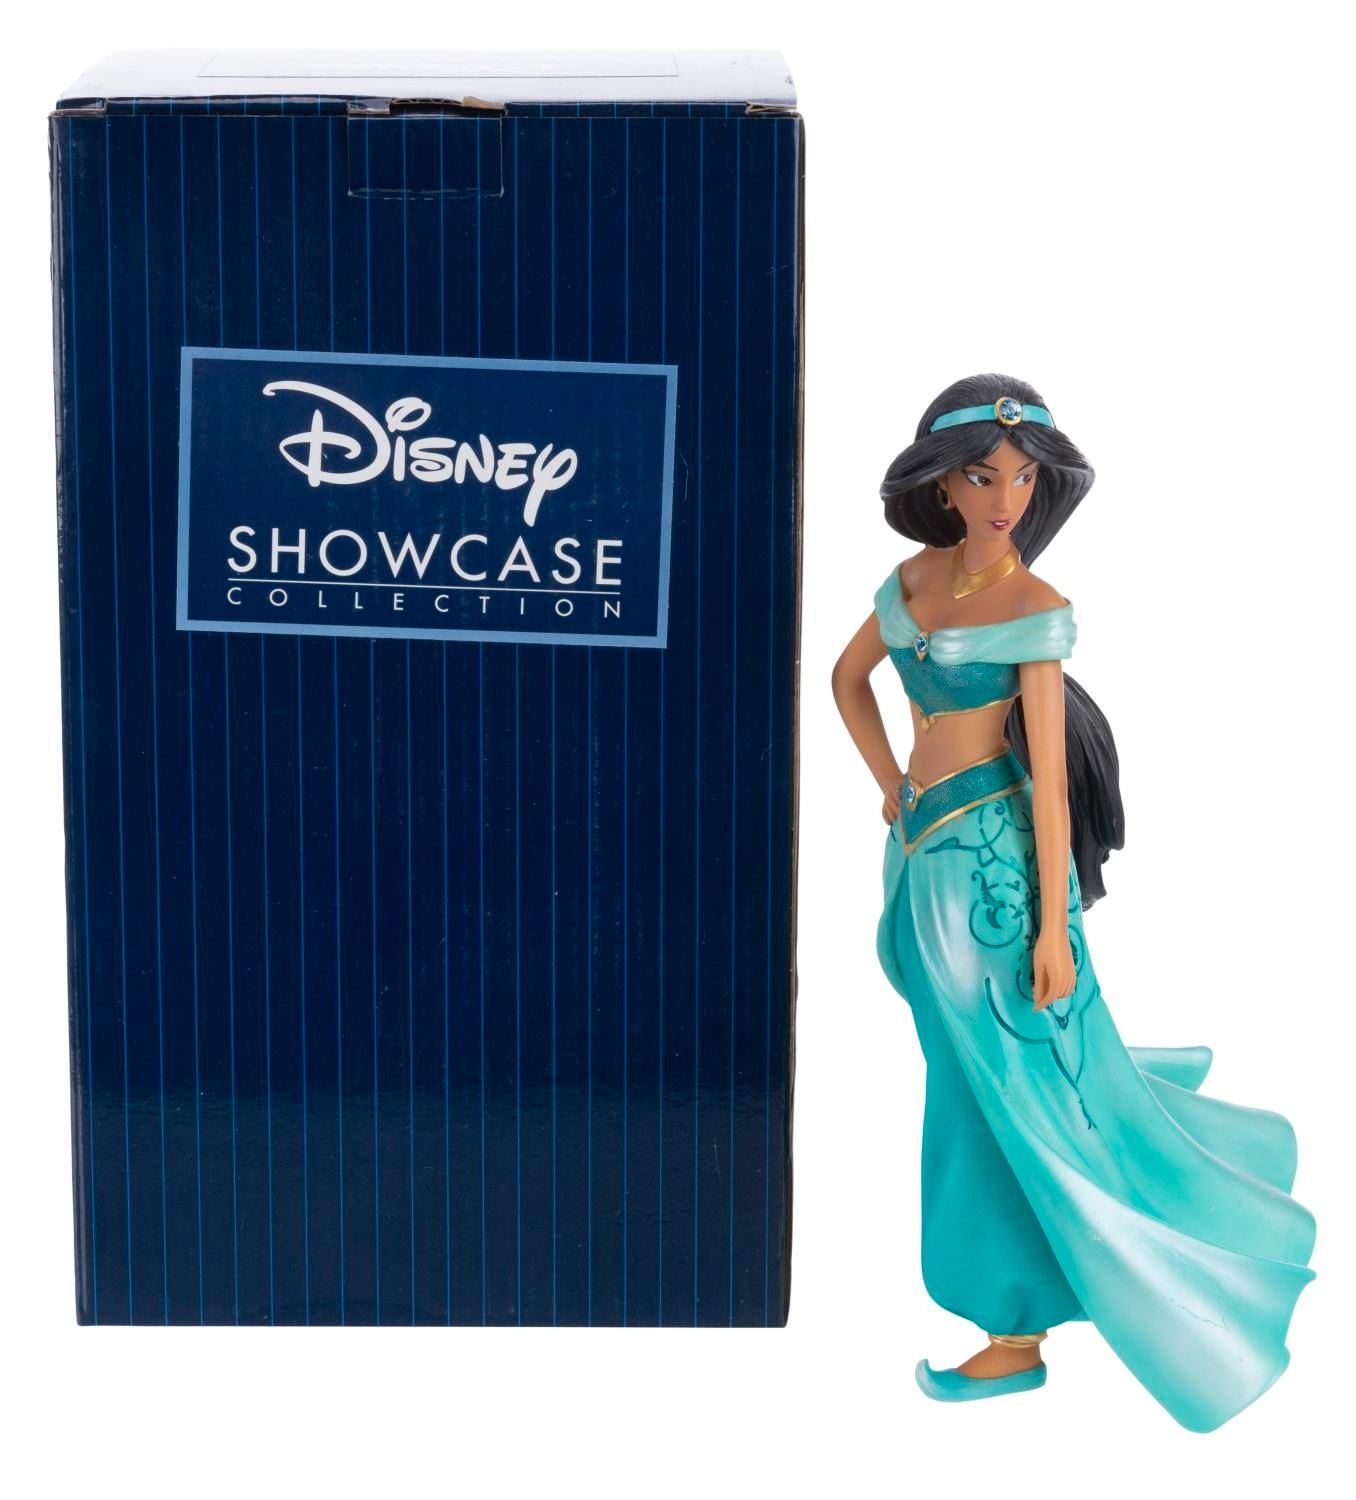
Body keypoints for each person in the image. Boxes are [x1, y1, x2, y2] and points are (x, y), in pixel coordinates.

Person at [829, 373, 1317, 1432]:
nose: (1004, 495)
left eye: (1021, 477)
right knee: (970, 1086)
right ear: (942, 484)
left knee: (1012, 1090)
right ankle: (1021, 1307)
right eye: (980, 475)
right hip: (920, 862)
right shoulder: (912, 580)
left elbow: (1048, 785)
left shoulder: (1035, 611)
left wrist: (1054, 924)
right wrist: (888, 784)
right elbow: (846, 679)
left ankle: (1022, 1327)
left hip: (999, 883)